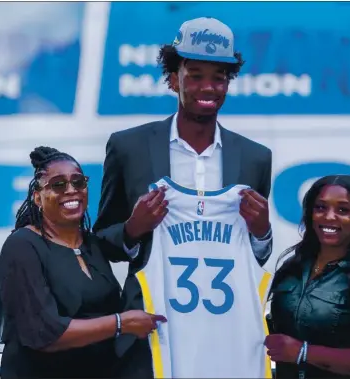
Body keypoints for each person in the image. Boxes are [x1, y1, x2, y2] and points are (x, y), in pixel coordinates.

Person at [93, 17, 273, 378]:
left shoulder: (255, 157)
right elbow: (101, 243)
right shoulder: (129, 147)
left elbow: (254, 254)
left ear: (229, 83)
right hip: (152, 332)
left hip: (226, 336)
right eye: (195, 74)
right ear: (173, 78)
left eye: (219, 77)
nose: (208, 87)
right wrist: (131, 230)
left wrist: (262, 232)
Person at [0, 146, 166, 379]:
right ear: (37, 197)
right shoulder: (22, 246)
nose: (71, 190)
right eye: (58, 185)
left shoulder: (90, 244)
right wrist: (121, 323)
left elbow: (120, 240)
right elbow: (46, 334)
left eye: (78, 182)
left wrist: (136, 224)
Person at [266, 175, 350, 379]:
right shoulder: (292, 268)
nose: (329, 217)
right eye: (320, 207)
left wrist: (303, 352)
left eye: (342, 210)